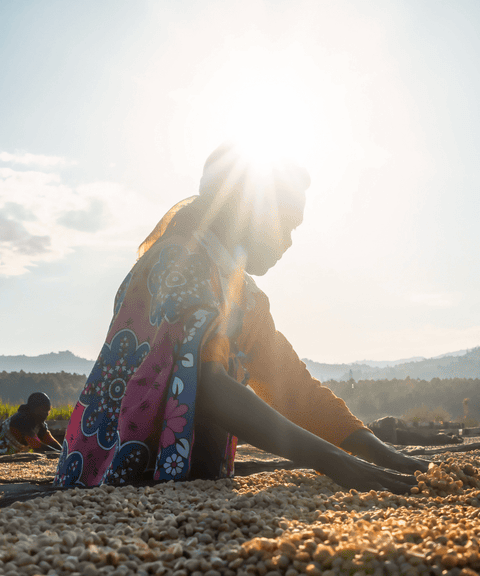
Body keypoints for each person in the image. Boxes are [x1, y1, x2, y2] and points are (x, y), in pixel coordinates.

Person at [55, 143, 424, 492]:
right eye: (288, 225)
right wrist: (331, 459)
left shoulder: (243, 294)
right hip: (114, 468)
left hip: (185, 477)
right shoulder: (178, 260)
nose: (291, 241)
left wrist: (381, 452)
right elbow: (205, 385)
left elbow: (292, 386)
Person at [0, 391, 61, 456]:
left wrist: (64, 452)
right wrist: (61, 455)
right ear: (34, 408)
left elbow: (50, 441)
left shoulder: (40, 424)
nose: (46, 413)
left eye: (48, 410)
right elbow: (37, 445)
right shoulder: (21, 419)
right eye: (43, 409)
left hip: (2, 455)